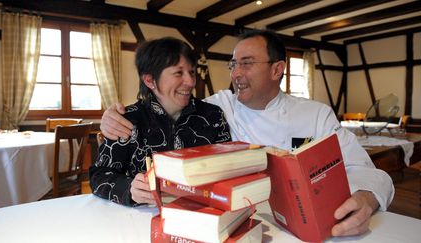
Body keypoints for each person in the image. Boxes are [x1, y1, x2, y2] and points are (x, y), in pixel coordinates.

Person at [99, 30, 394, 237]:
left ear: (277, 69)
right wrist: (112, 118)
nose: (236, 73)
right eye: (233, 64)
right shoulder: (217, 108)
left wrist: (367, 198)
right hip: (238, 223)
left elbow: (362, 168)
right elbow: (165, 106)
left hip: (302, 226)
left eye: (247, 63)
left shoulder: (315, 115)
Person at [89, 37, 231, 207]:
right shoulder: (127, 120)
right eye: (179, 73)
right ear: (149, 80)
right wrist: (130, 189)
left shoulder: (212, 116)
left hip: (203, 212)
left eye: (192, 72)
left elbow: (228, 169)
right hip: (144, 218)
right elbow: (99, 176)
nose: (191, 81)